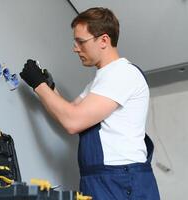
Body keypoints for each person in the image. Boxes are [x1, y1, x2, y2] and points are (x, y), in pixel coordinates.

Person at [20, 7, 160, 200]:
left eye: (81, 41)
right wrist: (50, 87)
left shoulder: (122, 73)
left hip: (122, 180)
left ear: (104, 40)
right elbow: (69, 113)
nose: (75, 48)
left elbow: (73, 121)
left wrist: (39, 85)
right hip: (98, 178)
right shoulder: (97, 83)